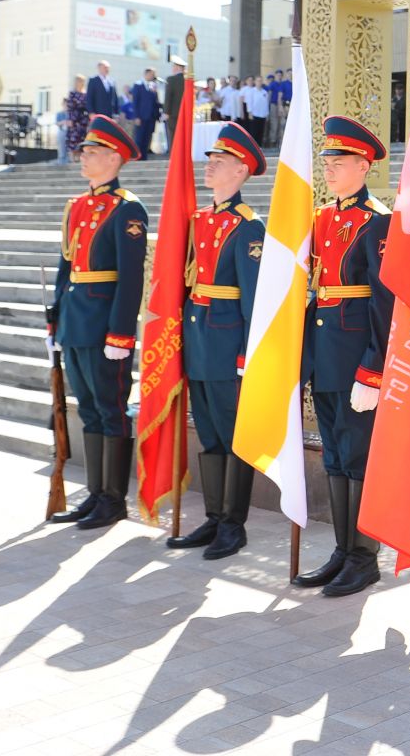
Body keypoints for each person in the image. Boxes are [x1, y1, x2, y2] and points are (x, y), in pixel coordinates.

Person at [293, 116, 395, 597]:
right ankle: (341, 549)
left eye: (338, 161)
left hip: (356, 358)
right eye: (326, 160)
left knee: (357, 458)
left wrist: (373, 370)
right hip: (325, 354)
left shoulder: (377, 221)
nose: (328, 169)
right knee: (334, 456)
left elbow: (383, 302)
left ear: (363, 165)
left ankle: (364, 556)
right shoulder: (321, 217)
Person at [167, 123, 265, 559]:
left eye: (220, 163)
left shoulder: (248, 227)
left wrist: (246, 354)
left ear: (241, 171)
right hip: (199, 338)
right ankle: (213, 516)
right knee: (208, 435)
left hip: (228, 346)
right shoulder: (200, 219)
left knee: (232, 436)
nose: (209, 168)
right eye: (209, 161)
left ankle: (233, 524)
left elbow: (254, 297)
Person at [45, 116, 148, 530]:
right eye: (83, 152)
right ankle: (95, 492)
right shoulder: (77, 206)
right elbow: (64, 268)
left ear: (113, 158)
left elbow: (131, 277)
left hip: (106, 325)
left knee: (111, 409)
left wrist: (121, 332)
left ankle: (114, 498)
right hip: (75, 321)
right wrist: (55, 318)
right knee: (87, 409)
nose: (83, 158)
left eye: (90, 152)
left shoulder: (127, 209)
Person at [128, 68, 161, 158]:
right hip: (141, 117)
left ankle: (144, 156)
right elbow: (135, 102)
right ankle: (137, 156)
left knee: (147, 138)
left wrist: (158, 115)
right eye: (152, 74)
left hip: (151, 117)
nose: (153, 76)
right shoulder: (138, 85)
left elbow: (156, 102)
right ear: (146, 74)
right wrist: (136, 117)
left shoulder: (153, 86)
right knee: (139, 137)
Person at [61, 75, 89, 163]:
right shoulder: (72, 93)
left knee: (82, 139)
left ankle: (80, 158)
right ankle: (72, 159)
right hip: (74, 119)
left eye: (82, 81)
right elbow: (70, 107)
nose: (80, 83)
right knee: (73, 139)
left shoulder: (86, 94)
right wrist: (70, 120)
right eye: (79, 81)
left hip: (83, 120)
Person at [164, 56, 188, 142]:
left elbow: (168, 97)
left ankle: (173, 156)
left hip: (173, 114)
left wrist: (166, 112)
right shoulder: (188, 80)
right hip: (186, 114)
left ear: (177, 68)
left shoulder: (171, 79)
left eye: (173, 67)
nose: (172, 69)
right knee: (183, 138)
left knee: (173, 137)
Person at [245, 75, 270, 143]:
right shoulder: (251, 91)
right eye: (258, 81)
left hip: (263, 115)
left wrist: (267, 114)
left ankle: (259, 147)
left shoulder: (265, 92)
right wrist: (250, 112)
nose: (259, 82)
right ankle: (253, 149)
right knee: (253, 133)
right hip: (254, 115)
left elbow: (266, 104)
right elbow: (249, 103)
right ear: (255, 82)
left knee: (261, 132)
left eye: (261, 81)